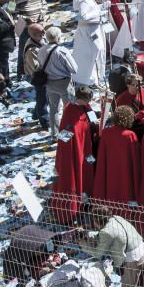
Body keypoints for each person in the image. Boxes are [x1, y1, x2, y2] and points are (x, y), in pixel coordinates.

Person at [81, 204, 144, 287]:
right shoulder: (115, 218)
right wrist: (88, 234)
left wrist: (83, 245)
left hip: (133, 259)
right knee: (130, 285)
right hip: (141, 248)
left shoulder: (106, 232)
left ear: (97, 220)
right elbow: (109, 235)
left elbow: (98, 253)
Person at [52, 85, 98, 222]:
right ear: (81, 99)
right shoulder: (70, 113)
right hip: (75, 155)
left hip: (86, 152)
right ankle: (73, 207)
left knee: (86, 175)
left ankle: (85, 199)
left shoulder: (85, 108)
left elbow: (89, 121)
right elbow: (65, 140)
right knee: (74, 177)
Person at [93, 106, 140, 204]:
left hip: (110, 171)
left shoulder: (106, 133)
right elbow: (135, 160)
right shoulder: (130, 135)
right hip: (125, 172)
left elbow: (102, 156)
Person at [37, 25, 76, 137]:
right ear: (58, 38)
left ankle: (55, 134)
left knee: (53, 109)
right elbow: (74, 69)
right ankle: (70, 133)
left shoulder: (41, 50)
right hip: (64, 83)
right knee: (69, 109)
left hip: (49, 83)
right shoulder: (62, 51)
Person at [72, 0, 108, 88]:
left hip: (94, 27)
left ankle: (93, 77)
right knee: (97, 52)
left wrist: (101, 5)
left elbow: (98, 3)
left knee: (94, 53)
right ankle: (95, 79)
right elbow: (84, 16)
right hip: (90, 30)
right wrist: (100, 11)